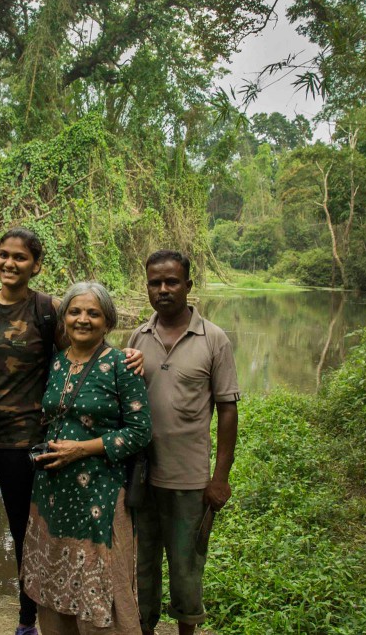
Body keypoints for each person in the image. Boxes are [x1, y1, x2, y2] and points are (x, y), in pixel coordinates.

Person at [0, 227, 145, 635]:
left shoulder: (48, 310)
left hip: (24, 445)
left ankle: (26, 623)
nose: (9, 263)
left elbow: (83, 345)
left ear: (36, 265)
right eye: (3, 255)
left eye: (20, 257)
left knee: (28, 536)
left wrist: (127, 354)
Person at [22, 281, 151, 635]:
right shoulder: (57, 362)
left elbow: (140, 432)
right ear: (63, 319)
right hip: (52, 492)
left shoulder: (121, 364)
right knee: (55, 580)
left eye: (93, 313)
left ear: (107, 322)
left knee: (103, 582)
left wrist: (82, 448)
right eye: (75, 312)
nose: (83, 319)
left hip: (102, 494)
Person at [127, 250, 239, 635]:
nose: (163, 289)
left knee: (186, 569)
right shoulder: (137, 337)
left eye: (172, 282)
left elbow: (227, 410)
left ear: (188, 286)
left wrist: (220, 477)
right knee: (142, 568)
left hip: (190, 481)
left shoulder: (214, 339)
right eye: (155, 282)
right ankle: (144, 628)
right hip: (142, 477)